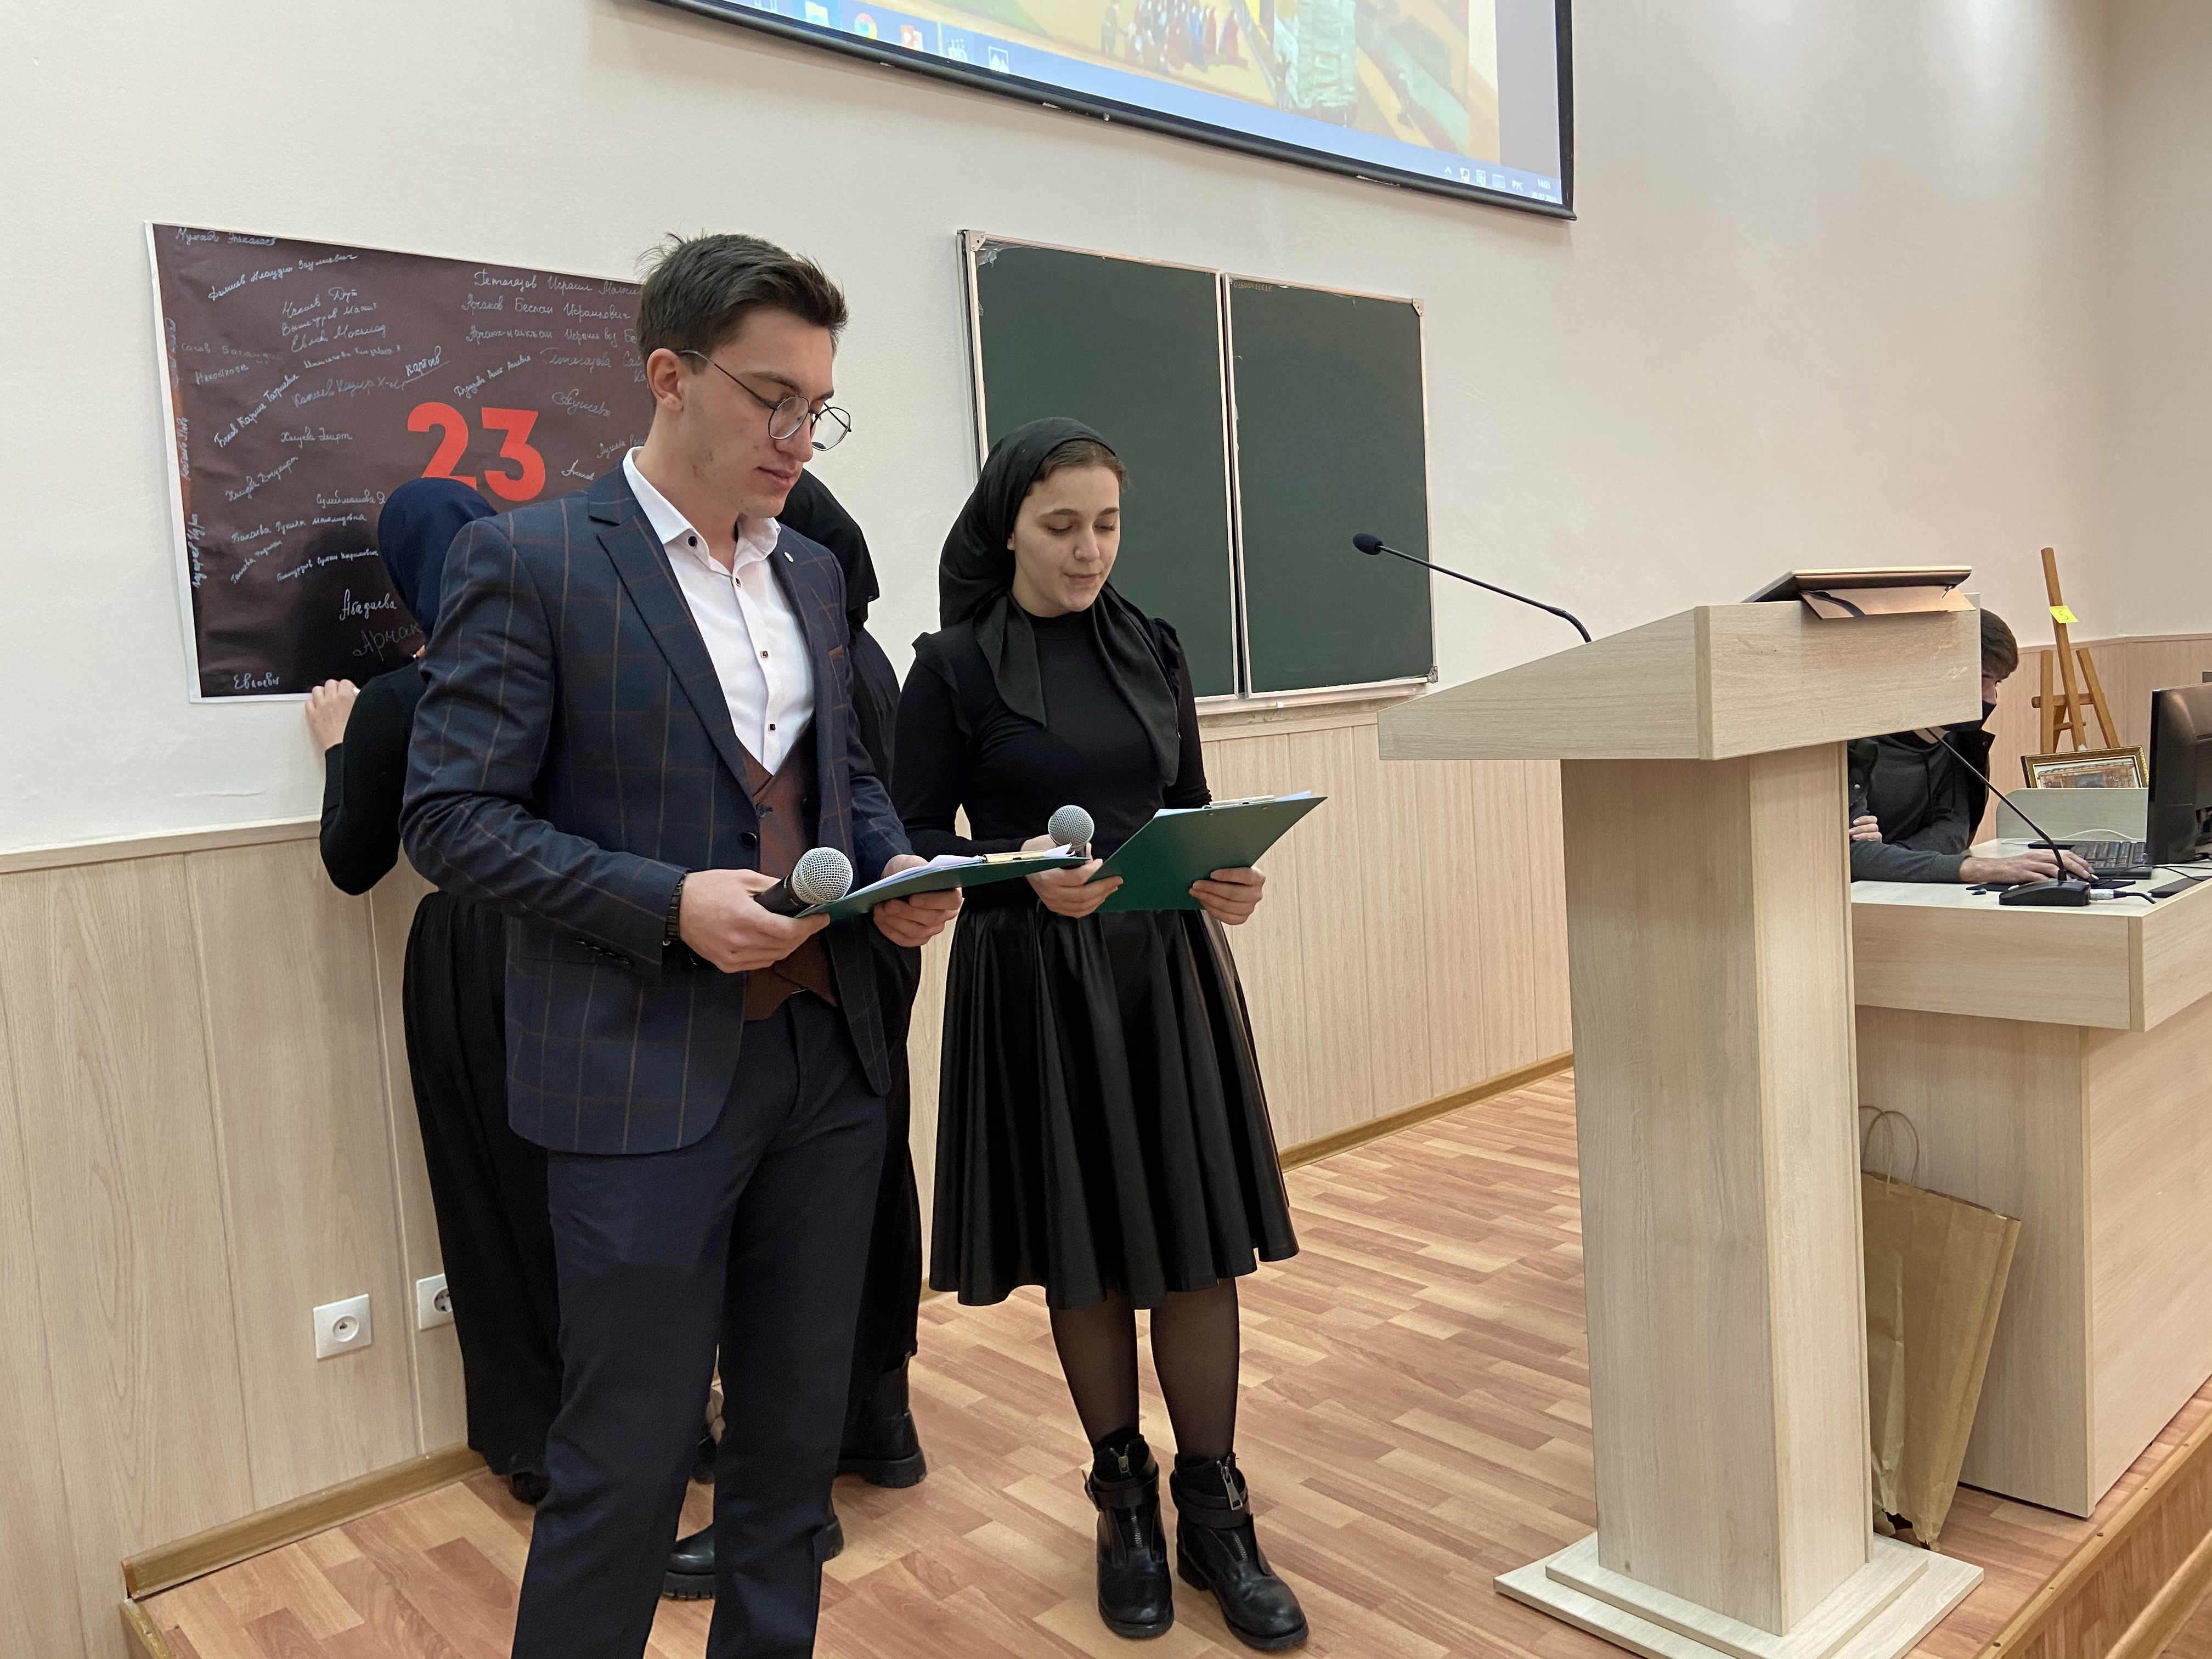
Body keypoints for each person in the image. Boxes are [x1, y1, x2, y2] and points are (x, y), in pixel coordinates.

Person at [402, 232, 961, 1659]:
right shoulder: (528, 560)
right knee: (626, 1461)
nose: (798, 435)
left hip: (830, 1066)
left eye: (818, 407)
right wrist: (667, 903)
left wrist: (894, 863)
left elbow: (849, 781)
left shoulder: (812, 575)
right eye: (772, 398)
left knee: (791, 1450)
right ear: (669, 376)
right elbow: (450, 822)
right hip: (636, 1079)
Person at [894, 419, 1307, 1651]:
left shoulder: (1154, 643)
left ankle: (1217, 1514)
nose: (1089, 550)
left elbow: (1186, 805)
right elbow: (909, 839)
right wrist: (1015, 870)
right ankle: (1122, 1504)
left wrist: (1228, 878)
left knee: (1192, 1245)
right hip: (1036, 979)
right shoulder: (950, 666)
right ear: (1008, 527)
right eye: (1062, 525)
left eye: (1107, 524)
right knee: (1090, 1251)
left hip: (1163, 971)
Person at [662, 467, 933, 1600]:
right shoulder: (871, 657)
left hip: (826, 968)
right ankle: (876, 1425)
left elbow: (859, 800)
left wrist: (895, 862)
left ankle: (800, 1485)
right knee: (858, 1217)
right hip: (840, 962)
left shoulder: (834, 659)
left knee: (805, 1256)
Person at [306, 478, 565, 1508]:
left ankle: (537, 1440)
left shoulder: (401, 701)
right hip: (585, 933)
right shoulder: (564, 665)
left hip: (468, 951)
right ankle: (664, 1417)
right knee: (602, 1194)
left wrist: (340, 751)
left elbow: (352, 862)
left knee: (488, 1195)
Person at [1848, 608, 2094, 885]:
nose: (1992, 699)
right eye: (1982, 680)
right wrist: (1979, 869)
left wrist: (1890, 859)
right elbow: (1853, 857)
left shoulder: (1959, 740)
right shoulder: (1855, 747)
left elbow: (1954, 829)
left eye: (1997, 683)